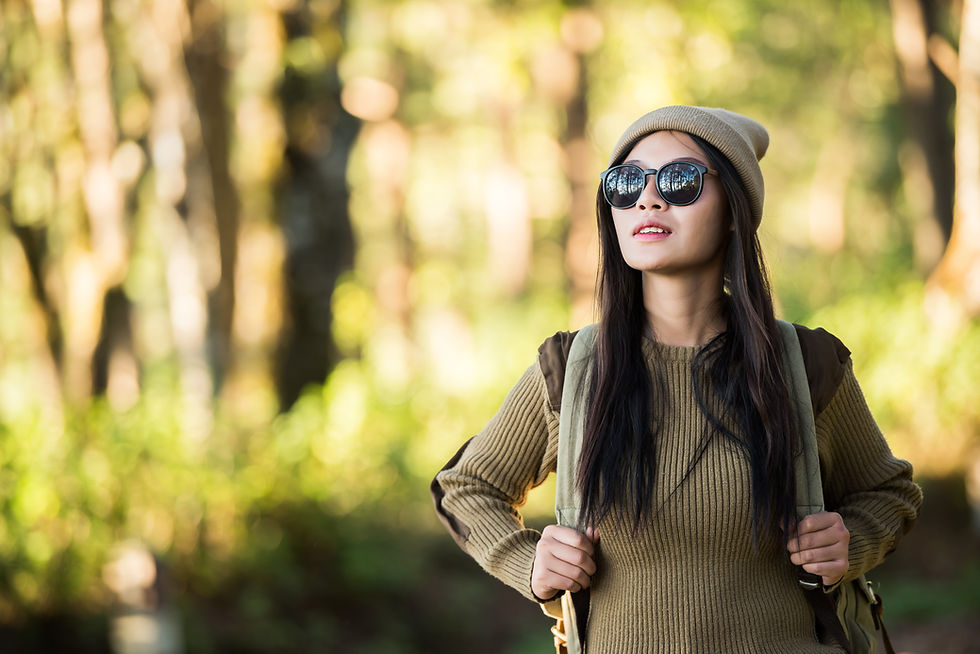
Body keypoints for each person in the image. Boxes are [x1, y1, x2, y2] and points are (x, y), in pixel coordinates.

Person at [431, 105, 922, 653]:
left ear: (735, 210)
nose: (648, 198)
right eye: (625, 182)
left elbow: (888, 492)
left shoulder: (805, 365)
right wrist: (531, 565)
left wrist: (848, 544)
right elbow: (465, 487)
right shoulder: (572, 370)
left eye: (680, 180)